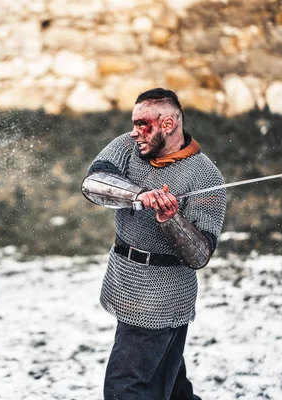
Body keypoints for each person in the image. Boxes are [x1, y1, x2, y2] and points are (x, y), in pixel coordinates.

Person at [84, 88, 226, 399]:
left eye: (142, 124)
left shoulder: (205, 177)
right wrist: (137, 195)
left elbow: (200, 254)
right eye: (133, 124)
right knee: (171, 386)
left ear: (168, 125)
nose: (134, 133)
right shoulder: (127, 146)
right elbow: (93, 183)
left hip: (161, 295)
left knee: (125, 389)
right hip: (128, 279)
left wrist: (171, 218)